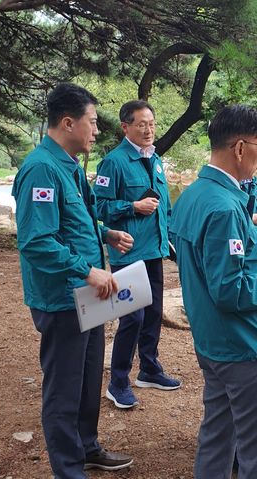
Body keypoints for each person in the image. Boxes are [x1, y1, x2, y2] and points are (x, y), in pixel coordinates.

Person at [169, 104, 257, 479]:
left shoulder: (191, 196)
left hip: (210, 341)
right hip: (243, 346)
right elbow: (230, 291)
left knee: (217, 434)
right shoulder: (226, 208)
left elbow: (204, 263)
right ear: (240, 148)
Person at [12, 82, 135, 478]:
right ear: (68, 123)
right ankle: (68, 469)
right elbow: (36, 241)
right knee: (64, 388)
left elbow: (73, 219)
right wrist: (86, 269)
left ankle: (87, 447)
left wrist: (105, 233)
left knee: (85, 380)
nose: (97, 131)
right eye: (92, 122)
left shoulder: (68, 165)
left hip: (87, 296)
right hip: (62, 299)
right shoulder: (41, 169)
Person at [94, 100, 181, 409]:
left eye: (152, 124)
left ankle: (149, 368)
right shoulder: (113, 163)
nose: (148, 129)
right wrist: (131, 206)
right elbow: (98, 208)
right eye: (141, 124)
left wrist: (170, 239)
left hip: (154, 251)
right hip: (127, 253)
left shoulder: (155, 160)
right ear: (125, 127)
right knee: (132, 317)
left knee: (154, 313)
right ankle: (118, 382)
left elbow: (165, 207)